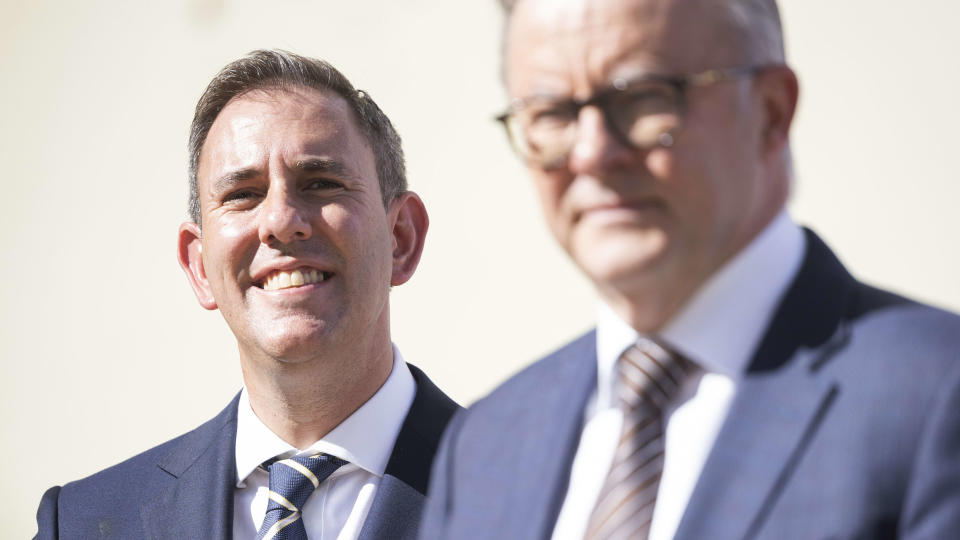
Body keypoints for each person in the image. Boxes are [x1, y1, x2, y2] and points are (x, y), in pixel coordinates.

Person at [421, 0, 960, 538]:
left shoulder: (933, 394)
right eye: (552, 114)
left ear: (771, 110)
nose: (591, 153)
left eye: (642, 97)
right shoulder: (483, 445)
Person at [34, 49, 458, 540]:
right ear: (198, 266)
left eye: (321, 183)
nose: (280, 222)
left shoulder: (541, 490)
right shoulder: (85, 523)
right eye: (242, 194)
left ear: (401, 238)